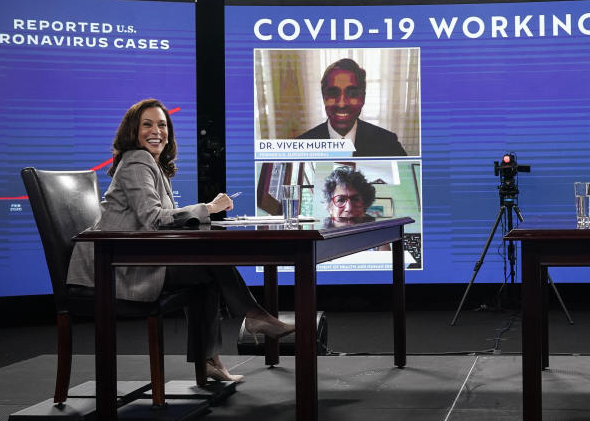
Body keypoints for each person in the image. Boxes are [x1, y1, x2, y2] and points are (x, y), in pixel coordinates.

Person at [67, 99, 294, 384]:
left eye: (162, 125)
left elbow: (155, 219)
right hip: (112, 270)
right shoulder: (137, 159)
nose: (156, 131)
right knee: (209, 266)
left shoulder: (153, 164)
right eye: (147, 124)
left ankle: (213, 357)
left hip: (126, 260)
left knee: (206, 273)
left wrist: (203, 212)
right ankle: (251, 319)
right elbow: (152, 218)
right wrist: (208, 208)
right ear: (132, 132)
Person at [297, 58, 408, 157]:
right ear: (323, 97)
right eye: (333, 93)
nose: (341, 104)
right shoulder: (301, 145)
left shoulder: (388, 142)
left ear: (363, 98)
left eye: (352, 94)